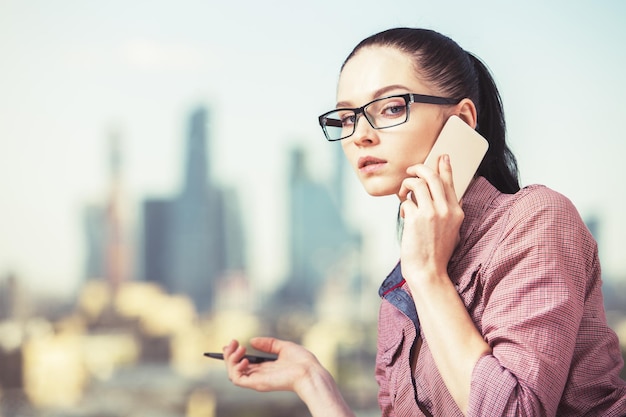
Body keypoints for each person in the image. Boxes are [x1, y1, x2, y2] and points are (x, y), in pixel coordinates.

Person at [220, 27, 626, 416]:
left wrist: (428, 276)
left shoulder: (535, 219)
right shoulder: (401, 285)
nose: (359, 134)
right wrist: (312, 380)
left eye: (392, 107)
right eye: (345, 119)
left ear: (462, 121)